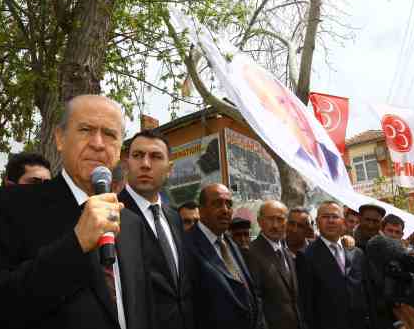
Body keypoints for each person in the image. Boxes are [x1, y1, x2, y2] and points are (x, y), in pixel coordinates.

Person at [0, 95, 154, 329]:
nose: (98, 143)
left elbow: (144, 309)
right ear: (60, 138)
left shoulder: (131, 223)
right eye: (86, 129)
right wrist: (76, 244)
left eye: (109, 134)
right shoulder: (10, 205)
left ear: (120, 149)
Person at [118, 129, 194, 329]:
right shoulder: (110, 214)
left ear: (169, 169)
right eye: (137, 155)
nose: (145, 164)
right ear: (127, 164)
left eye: (155, 156)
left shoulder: (175, 217)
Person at [185, 183, 265, 329]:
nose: (225, 210)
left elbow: (250, 293)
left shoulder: (230, 243)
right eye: (217, 204)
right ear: (201, 210)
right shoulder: (186, 246)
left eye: (229, 204)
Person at [297, 200, 369, 329]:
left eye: (335, 217)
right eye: (325, 217)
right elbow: (306, 304)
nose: (331, 221)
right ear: (318, 222)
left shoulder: (356, 253)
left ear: (343, 222)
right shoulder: (306, 256)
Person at [247, 200, 306, 329]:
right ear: (259, 221)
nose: (275, 225)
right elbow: (255, 301)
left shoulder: (285, 251)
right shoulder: (251, 253)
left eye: (280, 219)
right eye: (270, 219)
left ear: (286, 223)